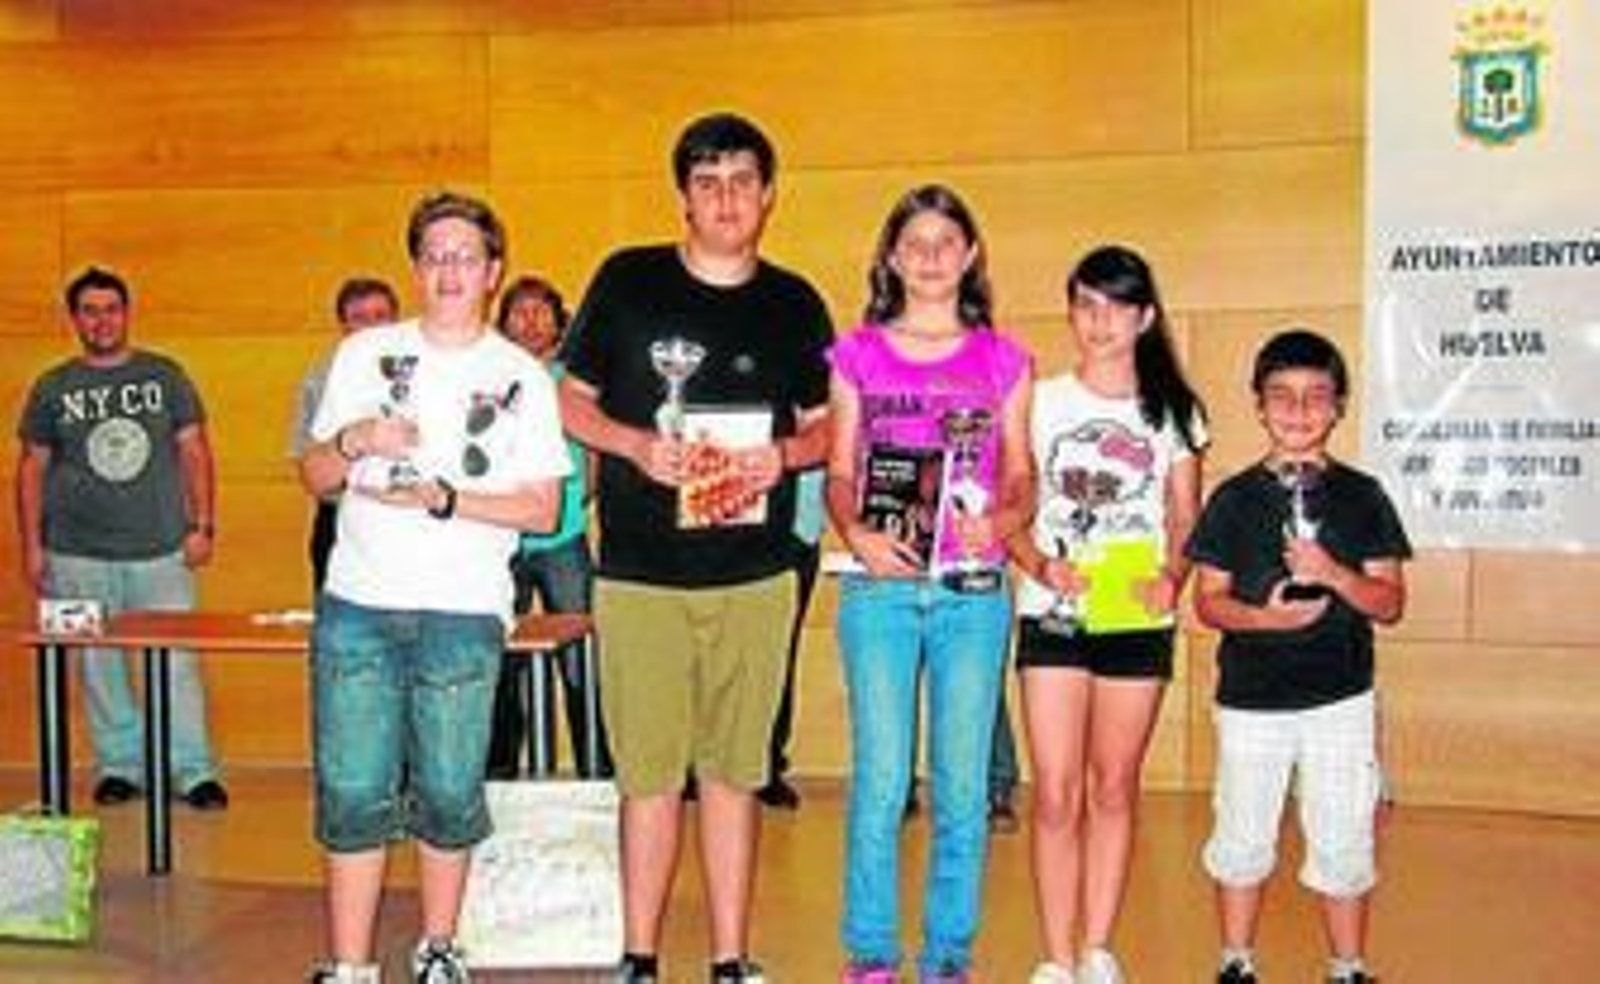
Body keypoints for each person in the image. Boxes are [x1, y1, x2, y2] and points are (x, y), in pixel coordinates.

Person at [557, 112, 832, 984]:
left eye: (742, 181)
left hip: (755, 575)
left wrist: (782, 455)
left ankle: (729, 959)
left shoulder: (795, 303)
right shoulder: (628, 280)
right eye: (707, 183)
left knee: (734, 775)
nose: (726, 199)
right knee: (646, 776)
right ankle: (638, 958)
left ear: (769, 195)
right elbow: (569, 400)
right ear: (683, 196)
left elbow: (829, 428)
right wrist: (636, 446)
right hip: (639, 575)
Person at [299, 192, 569, 984]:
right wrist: (354, 440)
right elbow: (315, 475)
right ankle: (349, 965)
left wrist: (449, 500)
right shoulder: (364, 354)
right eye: (435, 255)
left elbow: (542, 508)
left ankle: (440, 947)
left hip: (463, 609)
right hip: (358, 602)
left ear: (493, 270)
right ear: (417, 268)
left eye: (466, 256)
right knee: (352, 791)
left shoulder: (522, 376)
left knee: (449, 791)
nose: (450, 270)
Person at [827, 184, 1032, 984]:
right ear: (892, 256)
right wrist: (857, 532)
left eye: (947, 242)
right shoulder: (856, 354)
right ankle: (871, 952)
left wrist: (1002, 522)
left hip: (971, 592)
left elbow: (1022, 477)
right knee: (881, 782)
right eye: (915, 243)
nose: (931, 257)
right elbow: (839, 473)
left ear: (970, 254)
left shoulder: (1005, 360)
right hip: (878, 590)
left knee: (962, 787)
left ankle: (949, 954)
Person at [1186, 329, 1409, 984]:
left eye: (1316, 395)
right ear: (1259, 406)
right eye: (1281, 395)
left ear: (1338, 406)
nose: (1299, 409)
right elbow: (1209, 602)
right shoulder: (1232, 499)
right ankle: (1236, 961)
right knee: (1241, 834)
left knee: (1344, 835)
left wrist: (1333, 573)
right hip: (1251, 700)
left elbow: (1389, 602)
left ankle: (1348, 967)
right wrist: (1264, 618)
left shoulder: (1364, 495)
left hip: (1341, 698)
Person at [1011, 246, 1208, 984]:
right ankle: (1056, 957)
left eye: (1117, 307)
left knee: (1113, 785)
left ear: (1145, 317)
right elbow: (1009, 506)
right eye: (1086, 305)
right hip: (1053, 610)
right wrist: (1039, 565)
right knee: (1055, 791)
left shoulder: (1175, 411)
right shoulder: (1039, 400)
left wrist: (1172, 576)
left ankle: (1097, 948)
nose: (1100, 322)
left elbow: (1185, 515)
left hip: (1134, 612)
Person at [15, 266, 228, 812]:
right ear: (74, 319)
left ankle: (193, 770)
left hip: (162, 550)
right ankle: (120, 766)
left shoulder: (164, 375)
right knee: (97, 664)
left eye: (111, 309)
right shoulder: (53, 386)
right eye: (90, 311)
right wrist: (32, 546)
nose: (102, 321)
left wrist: (203, 525)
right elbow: (32, 468)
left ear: (126, 313)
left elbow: (195, 451)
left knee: (177, 662)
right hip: (75, 553)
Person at [485, 274, 612, 780]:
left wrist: (578, 503)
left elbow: (595, 452)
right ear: (503, 322)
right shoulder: (489, 378)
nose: (531, 321)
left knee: (582, 658)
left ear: (561, 323)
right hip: (500, 540)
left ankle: (596, 771)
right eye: (520, 311)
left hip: (564, 538)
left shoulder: (573, 383)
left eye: (542, 311)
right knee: (501, 660)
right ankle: (499, 772)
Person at [290, 277, 401, 592]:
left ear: (396, 320)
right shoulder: (320, 378)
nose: (371, 327)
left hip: (407, 519)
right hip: (340, 516)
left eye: (380, 316)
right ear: (343, 326)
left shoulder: (424, 370)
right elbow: (305, 459)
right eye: (359, 318)